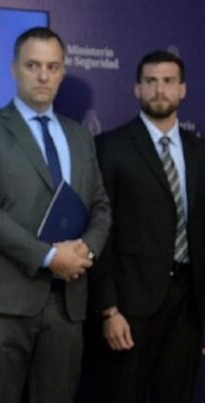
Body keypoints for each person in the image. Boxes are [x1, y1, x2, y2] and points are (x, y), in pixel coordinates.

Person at [0, 27, 110, 403]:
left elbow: (101, 207)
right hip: (0, 303)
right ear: (14, 69)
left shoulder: (80, 136)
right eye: (33, 65)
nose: (43, 76)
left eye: (52, 67)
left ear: (62, 72)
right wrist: (49, 256)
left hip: (66, 301)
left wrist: (85, 250)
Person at [90, 50, 205, 403]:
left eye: (169, 81)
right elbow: (101, 232)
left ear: (183, 89)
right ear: (137, 88)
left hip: (189, 305)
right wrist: (109, 309)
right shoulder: (111, 147)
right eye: (151, 81)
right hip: (130, 306)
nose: (160, 90)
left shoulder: (199, 150)